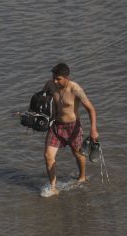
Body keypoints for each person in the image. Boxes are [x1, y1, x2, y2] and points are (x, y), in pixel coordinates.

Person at [43, 63, 99, 196]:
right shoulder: (49, 85)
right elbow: (40, 101)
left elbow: (91, 109)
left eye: (58, 79)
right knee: (48, 156)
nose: (55, 81)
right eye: (54, 78)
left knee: (78, 154)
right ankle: (53, 187)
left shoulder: (75, 89)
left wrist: (93, 130)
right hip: (55, 126)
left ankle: (82, 177)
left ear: (66, 78)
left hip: (73, 127)